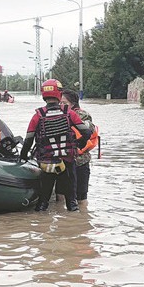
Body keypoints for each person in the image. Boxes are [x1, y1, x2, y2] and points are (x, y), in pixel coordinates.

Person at [19, 79, 92, 212]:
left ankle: (41, 225)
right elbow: (86, 131)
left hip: (47, 163)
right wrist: (79, 144)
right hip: (67, 161)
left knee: (43, 202)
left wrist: (22, 157)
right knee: (72, 203)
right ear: (59, 93)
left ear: (43, 95)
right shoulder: (69, 113)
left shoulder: (37, 116)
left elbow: (29, 139)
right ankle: (74, 226)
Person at [60, 88, 98, 208]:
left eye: (64, 103)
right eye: (59, 102)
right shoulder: (55, 115)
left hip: (80, 161)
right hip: (62, 160)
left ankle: (82, 220)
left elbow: (88, 129)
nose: (61, 105)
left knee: (81, 197)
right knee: (60, 195)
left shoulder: (83, 115)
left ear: (73, 104)